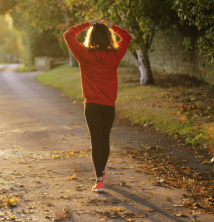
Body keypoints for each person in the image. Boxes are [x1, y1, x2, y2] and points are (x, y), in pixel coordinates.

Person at [64, 19, 132, 192]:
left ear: (91, 37)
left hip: (92, 106)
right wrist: (113, 26)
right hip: (108, 105)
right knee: (105, 139)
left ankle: (99, 180)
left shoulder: (84, 54)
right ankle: (101, 172)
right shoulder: (115, 55)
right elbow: (127, 36)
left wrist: (86, 23)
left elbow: (68, 34)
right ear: (108, 38)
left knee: (96, 141)